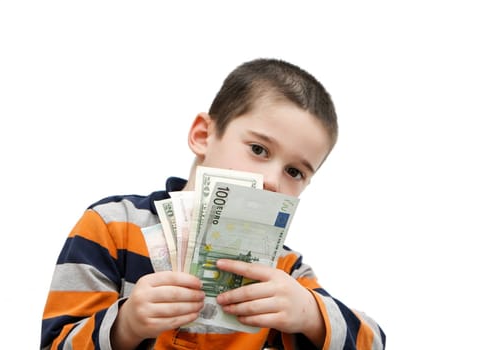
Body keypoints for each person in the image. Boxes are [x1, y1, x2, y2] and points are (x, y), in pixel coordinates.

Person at [41, 58, 386, 349]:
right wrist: (125, 326)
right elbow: (57, 343)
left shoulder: (283, 271)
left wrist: (309, 315)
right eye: (258, 149)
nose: (271, 180)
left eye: (294, 171)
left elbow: (374, 342)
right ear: (203, 135)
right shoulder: (112, 225)